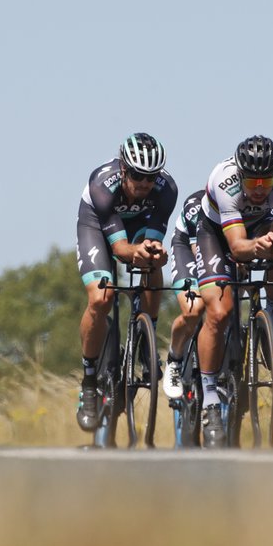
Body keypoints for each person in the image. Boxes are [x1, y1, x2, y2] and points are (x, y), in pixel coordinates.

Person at [194, 135, 273, 447]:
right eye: (252, 180)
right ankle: (210, 400)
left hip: (257, 225)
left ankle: (272, 322)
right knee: (220, 312)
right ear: (240, 174)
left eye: (266, 180)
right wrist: (257, 245)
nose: (259, 188)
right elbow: (238, 248)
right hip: (217, 233)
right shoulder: (224, 182)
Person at [75, 133, 178, 432]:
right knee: (101, 299)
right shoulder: (101, 184)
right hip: (96, 223)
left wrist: (155, 253)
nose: (144, 183)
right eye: (136, 175)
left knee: (151, 258)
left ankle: (147, 337)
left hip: (138, 224)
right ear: (123, 169)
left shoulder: (166, 189)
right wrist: (137, 251)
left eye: (150, 177)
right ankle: (89, 381)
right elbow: (120, 251)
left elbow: (150, 244)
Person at [163, 189, 206, 399]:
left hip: (225, 252)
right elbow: (201, 255)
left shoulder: (255, 204)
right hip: (189, 249)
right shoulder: (195, 206)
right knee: (194, 309)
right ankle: (174, 359)